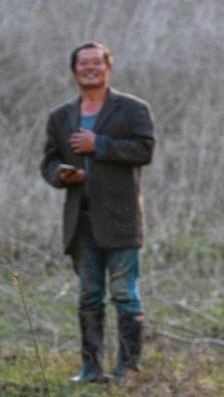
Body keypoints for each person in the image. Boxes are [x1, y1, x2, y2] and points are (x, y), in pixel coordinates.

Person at [40, 42, 155, 382]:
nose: (90, 68)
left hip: (121, 220)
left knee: (124, 294)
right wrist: (60, 174)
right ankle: (90, 369)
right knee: (89, 295)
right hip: (81, 220)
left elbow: (144, 150)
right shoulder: (60, 116)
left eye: (97, 63)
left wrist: (99, 145)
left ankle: (127, 369)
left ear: (108, 68)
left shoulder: (133, 109)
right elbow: (48, 160)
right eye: (83, 63)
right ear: (74, 70)